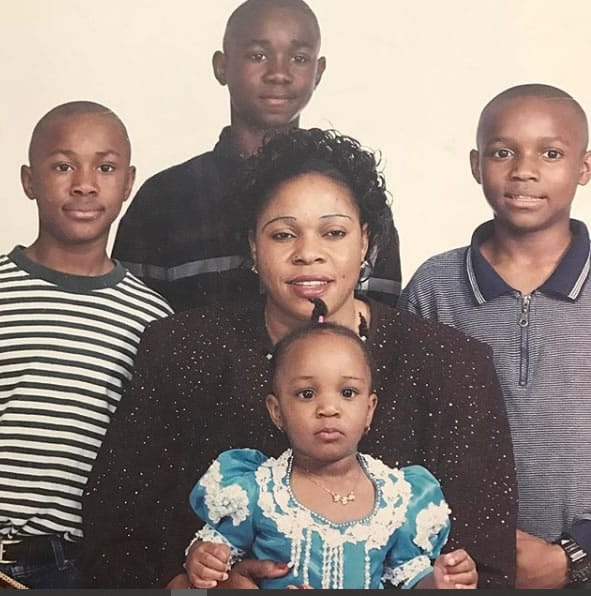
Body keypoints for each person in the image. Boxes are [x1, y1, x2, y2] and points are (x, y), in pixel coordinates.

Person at [81, 128, 517, 589]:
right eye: (283, 234)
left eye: (333, 232)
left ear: (366, 242)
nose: (308, 254)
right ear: (252, 246)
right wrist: (199, 585)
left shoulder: (448, 364)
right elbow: (116, 537)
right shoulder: (183, 349)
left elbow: (484, 566)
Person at [398, 83, 591, 589]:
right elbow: (402, 433)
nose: (524, 170)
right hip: (461, 567)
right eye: (503, 152)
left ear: (585, 167)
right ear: (476, 164)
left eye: (551, 153)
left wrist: (574, 556)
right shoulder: (434, 287)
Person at [111, 0, 401, 312]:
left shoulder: (354, 198)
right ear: (221, 66)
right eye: (258, 55)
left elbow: (379, 326)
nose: (279, 73)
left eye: (300, 58)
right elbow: (132, 318)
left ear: (318, 72)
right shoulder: (162, 199)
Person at [0, 101, 173, 589]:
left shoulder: (152, 319)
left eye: (105, 166)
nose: (84, 183)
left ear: (128, 182)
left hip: (74, 564)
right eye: (62, 166)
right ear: (29, 180)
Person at [185, 321, 478, 590]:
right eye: (307, 394)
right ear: (277, 412)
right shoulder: (257, 490)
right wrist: (203, 561)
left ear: (369, 409)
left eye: (348, 393)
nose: (329, 408)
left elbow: (412, 577)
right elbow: (214, 558)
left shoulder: (398, 496)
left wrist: (440, 581)